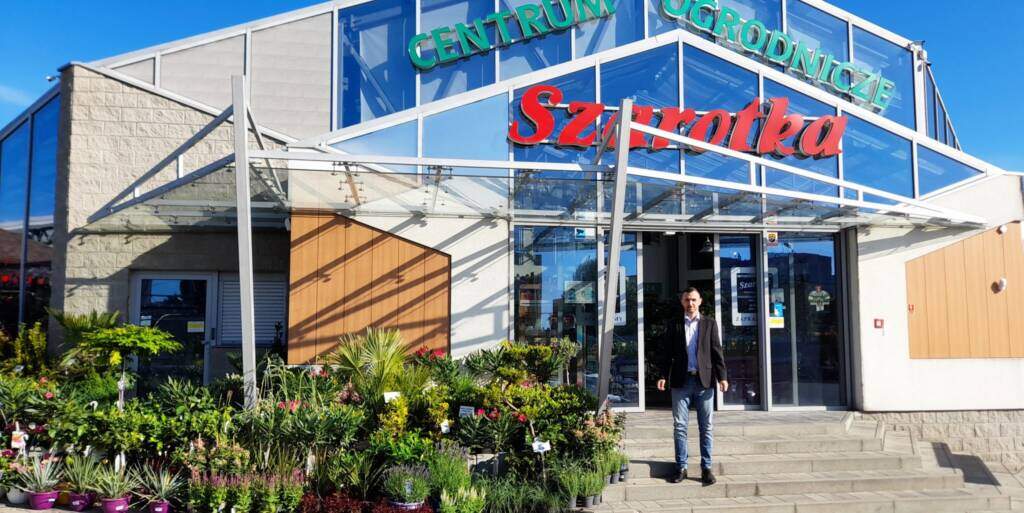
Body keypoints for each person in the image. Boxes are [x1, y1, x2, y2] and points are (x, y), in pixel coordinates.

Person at [656, 287, 728, 485]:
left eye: (694, 300)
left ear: (700, 301)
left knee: (706, 427)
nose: (691, 303)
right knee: (680, 426)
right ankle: (681, 467)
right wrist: (662, 375)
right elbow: (666, 352)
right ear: (682, 302)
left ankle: (706, 469)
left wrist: (722, 377)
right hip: (681, 381)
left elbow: (716, 351)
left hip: (704, 382)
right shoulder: (674, 325)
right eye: (687, 300)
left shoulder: (709, 323)